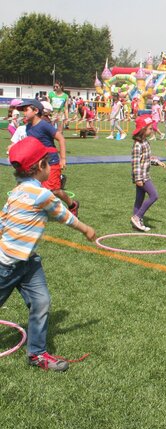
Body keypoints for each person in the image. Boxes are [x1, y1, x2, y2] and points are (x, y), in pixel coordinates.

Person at [3, 137, 96, 371]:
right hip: (7, 264)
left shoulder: (18, 191)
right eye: (49, 162)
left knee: (41, 302)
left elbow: (3, 219)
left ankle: (37, 354)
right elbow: (64, 216)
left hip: (28, 262)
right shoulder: (42, 195)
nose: (52, 167)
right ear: (40, 166)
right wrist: (86, 229)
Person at [17, 99, 79, 216]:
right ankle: (38, 209)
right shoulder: (28, 127)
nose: (24, 113)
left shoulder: (44, 125)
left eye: (26, 110)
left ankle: (72, 204)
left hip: (51, 161)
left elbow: (61, 139)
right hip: (38, 161)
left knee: (55, 190)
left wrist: (63, 159)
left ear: (36, 111)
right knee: (36, 186)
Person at [130, 115, 166, 231]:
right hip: (142, 177)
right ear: (143, 130)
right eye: (150, 128)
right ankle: (137, 217)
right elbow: (135, 163)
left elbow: (146, 158)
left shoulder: (145, 142)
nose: (152, 130)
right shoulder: (137, 145)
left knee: (139, 200)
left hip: (144, 175)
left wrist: (157, 162)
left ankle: (136, 223)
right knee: (154, 195)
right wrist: (138, 179)